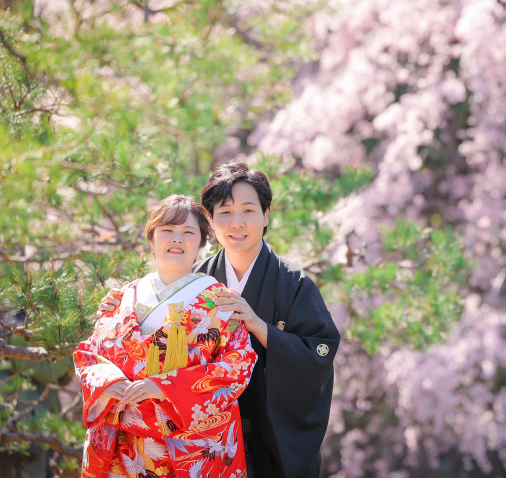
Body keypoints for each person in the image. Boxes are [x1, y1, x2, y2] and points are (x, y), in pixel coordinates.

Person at [98, 161, 340, 478]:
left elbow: (319, 353)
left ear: (266, 215)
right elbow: (157, 351)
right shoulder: (196, 282)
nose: (236, 222)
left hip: (272, 446)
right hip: (206, 445)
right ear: (210, 220)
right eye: (224, 212)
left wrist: (260, 327)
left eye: (248, 211)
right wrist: (121, 310)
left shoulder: (292, 283)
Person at [76, 194, 256, 478]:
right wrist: (107, 382)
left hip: (189, 445)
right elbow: (90, 352)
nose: (177, 239)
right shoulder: (123, 297)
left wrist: (167, 387)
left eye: (188, 232)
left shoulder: (219, 301)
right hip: (124, 448)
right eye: (167, 230)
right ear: (152, 239)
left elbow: (239, 364)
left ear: (201, 243)